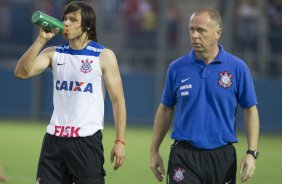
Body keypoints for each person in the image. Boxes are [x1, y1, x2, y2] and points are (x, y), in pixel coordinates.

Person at [14, 1, 126, 184]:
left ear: (87, 25)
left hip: (86, 141)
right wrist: (41, 40)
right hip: (54, 140)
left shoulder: (103, 56)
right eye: (65, 18)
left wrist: (120, 141)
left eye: (73, 20)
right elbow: (21, 73)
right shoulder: (54, 53)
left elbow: (118, 101)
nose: (66, 23)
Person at [150, 7, 259, 184]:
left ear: (218, 33)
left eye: (201, 30)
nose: (194, 35)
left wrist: (251, 152)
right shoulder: (177, 68)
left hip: (222, 157)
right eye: (191, 29)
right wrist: (154, 151)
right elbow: (165, 109)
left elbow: (250, 110)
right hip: (184, 156)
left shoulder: (238, 68)